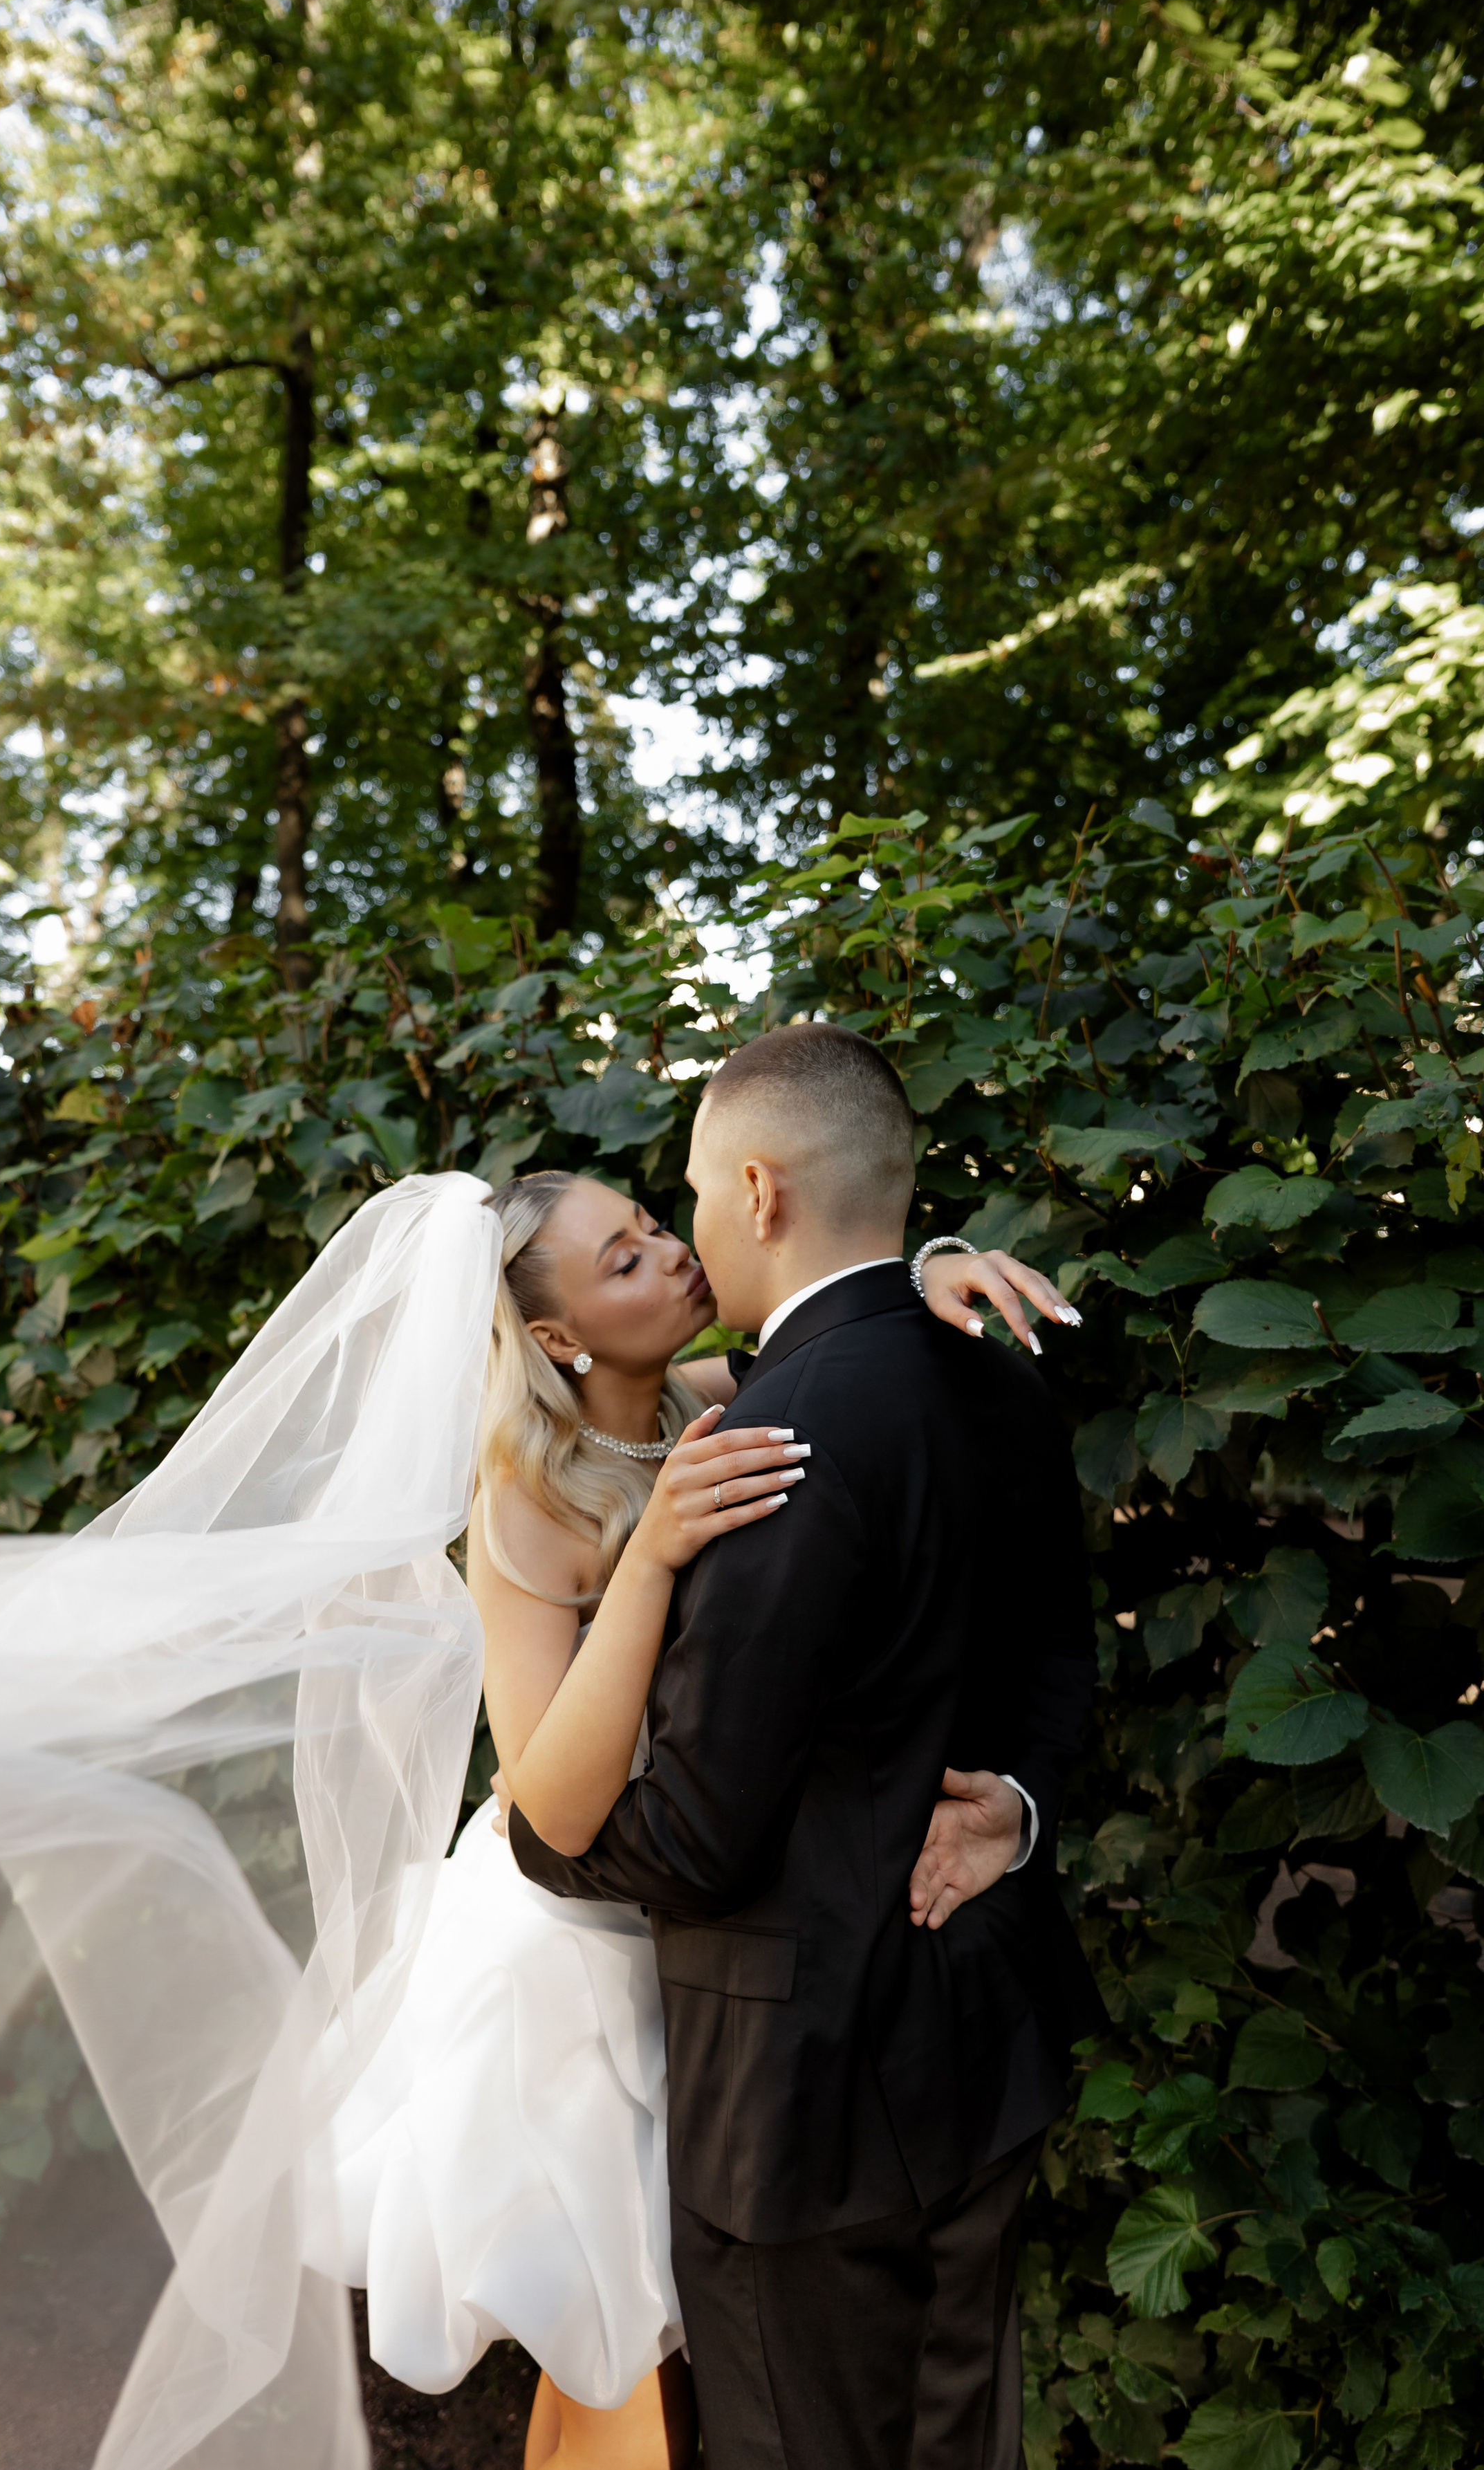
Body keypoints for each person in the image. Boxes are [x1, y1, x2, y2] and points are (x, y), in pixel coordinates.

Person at [319, 1148, 1082, 2470]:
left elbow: (845, 1351)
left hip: (732, 1932)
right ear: (554, 1334)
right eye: (622, 1260)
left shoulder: (700, 1393)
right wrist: (653, 1555)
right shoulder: (529, 1492)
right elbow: (548, 1799)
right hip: (577, 1944)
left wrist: (922, 1271)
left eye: (655, 1226)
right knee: (638, 2348)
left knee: (723, 2346)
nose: (671, 1254)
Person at [506, 1025, 1107, 2470]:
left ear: (761, 1191)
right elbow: (1054, 1661)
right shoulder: (992, 1365)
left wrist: (530, 1835)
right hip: (977, 2044)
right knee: (959, 2438)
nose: (686, 1239)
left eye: (686, 1204)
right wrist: (1016, 1811)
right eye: (634, 1245)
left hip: (798, 2094)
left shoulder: (764, 1443)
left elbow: (700, 1841)